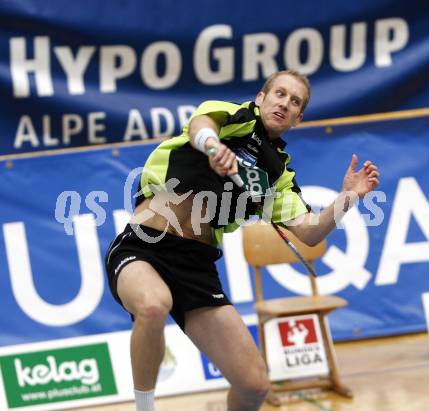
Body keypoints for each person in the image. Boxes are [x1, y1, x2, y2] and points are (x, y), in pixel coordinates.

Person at [105, 69, 380, 411]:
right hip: (145, 244)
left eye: (295, 102)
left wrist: (348, 198)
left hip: (196, 263)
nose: (285, 103)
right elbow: (199, 127)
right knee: (152, 304)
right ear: (261, 97)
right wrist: (213, 147)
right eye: (279, 94)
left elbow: (310, 231)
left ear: (299, 118)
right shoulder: (235, 117)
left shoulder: (278, 174)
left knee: (254, 385)